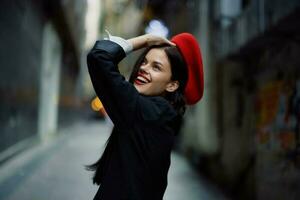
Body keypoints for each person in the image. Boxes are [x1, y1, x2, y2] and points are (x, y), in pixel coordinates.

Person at [86, 31, 204, 200]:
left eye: (156, 67)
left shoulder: (148, 113)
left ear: (172, 85)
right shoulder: (160, 115)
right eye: (144, 62)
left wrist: (145, 40)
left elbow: (99, 57)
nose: (143, 68)